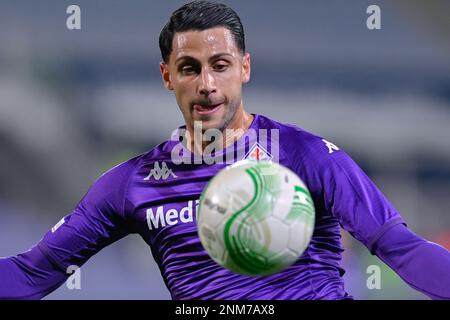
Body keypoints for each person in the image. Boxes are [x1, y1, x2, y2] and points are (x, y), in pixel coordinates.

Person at [1, 0, 449, 300]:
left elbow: (399, 246)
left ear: (245, 68)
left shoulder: (307, 156)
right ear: (166, 76)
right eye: (189, 68)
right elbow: (35, 272)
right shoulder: (131, 185)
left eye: (220, 66)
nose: (207, 84)